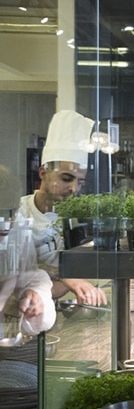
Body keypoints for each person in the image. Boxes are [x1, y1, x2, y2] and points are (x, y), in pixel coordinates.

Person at [16, 110, 107, 306]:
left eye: (80, 182)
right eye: (66, 179)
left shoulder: (78, 218)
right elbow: (17, 277)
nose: (74, 189)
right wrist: (68, 276)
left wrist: (71, 280)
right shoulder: (18, 213)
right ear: (43, 172)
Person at [1, 164, 57, 335]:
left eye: (12, 212)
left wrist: (34, 295)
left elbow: (32, 276)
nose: (7, 222)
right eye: (1, 212)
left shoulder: (17, 228)